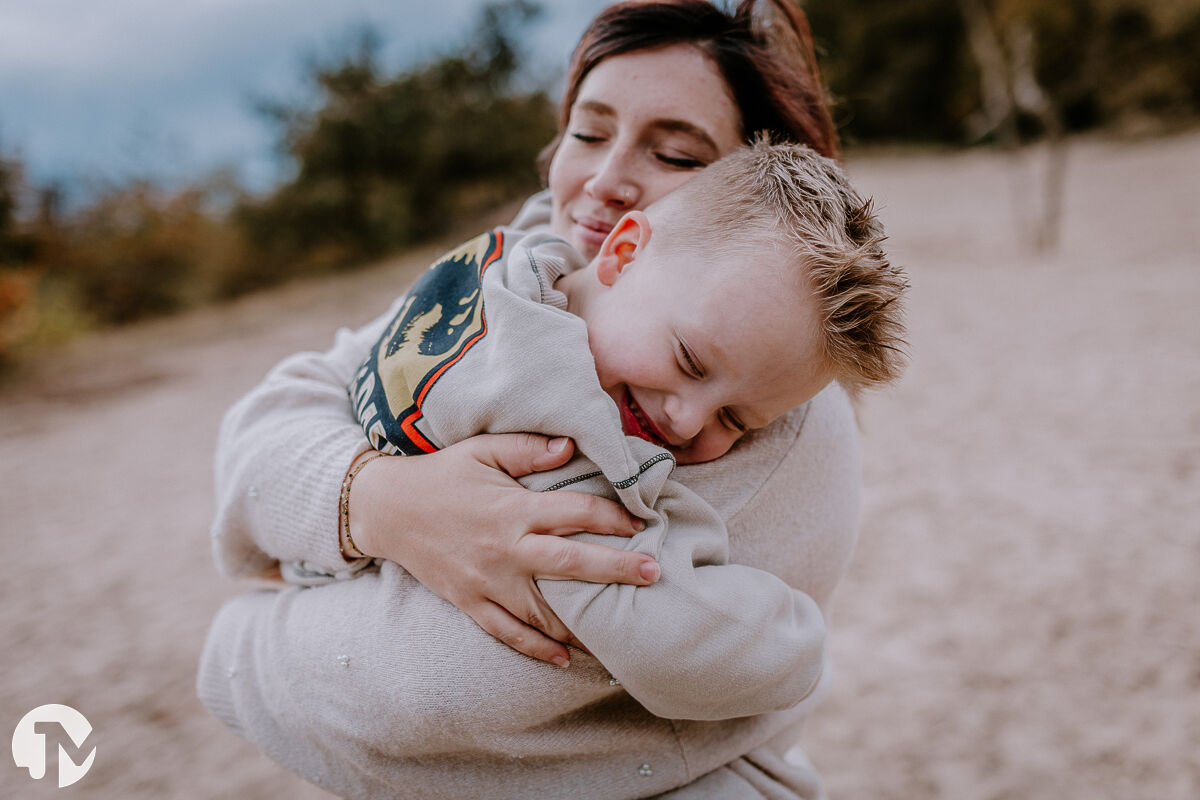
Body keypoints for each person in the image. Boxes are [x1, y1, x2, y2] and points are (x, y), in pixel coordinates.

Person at [201, 2, 875, 797]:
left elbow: (420, 704)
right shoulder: (516, 266)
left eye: (674, 153)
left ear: (754, 197)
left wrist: (242, 637)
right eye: (589, 133)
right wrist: (379, 501)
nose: (604, 179)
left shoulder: (772, 414)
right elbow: (268, 420)